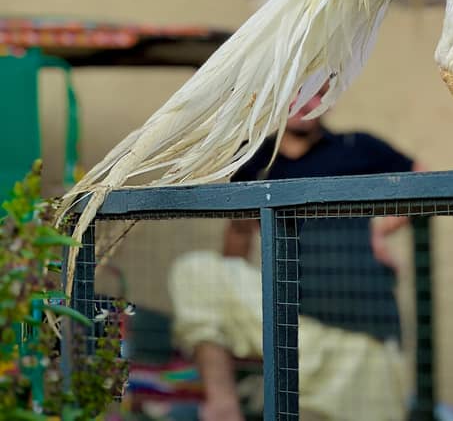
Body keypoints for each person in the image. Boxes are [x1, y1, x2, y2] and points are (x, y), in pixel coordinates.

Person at [169, 90, 421, 421]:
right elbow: (239, 231)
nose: (305, 103)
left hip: (360, 332)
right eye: (295, 93)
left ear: (331, 100)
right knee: (197, 272)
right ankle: (222, 406)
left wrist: (380, 229)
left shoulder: (358, 147)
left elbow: (419, 175)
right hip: (287, 318)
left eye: (317, 94)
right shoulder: (255, 158)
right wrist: (230, 297)